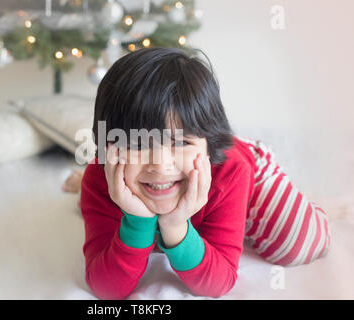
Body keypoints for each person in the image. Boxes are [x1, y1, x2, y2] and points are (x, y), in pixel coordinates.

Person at [64, 47, 330, 299]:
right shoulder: (100, 180)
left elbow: (219, 282)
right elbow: (106, 289)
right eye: (138, 144)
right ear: (108, 146)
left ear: (208, 143)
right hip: (158, 177)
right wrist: (136, 221)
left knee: (300, 245)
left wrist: (175, 226)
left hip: (239, 171)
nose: (160, 164)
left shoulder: (230, 171)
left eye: (181, 142)